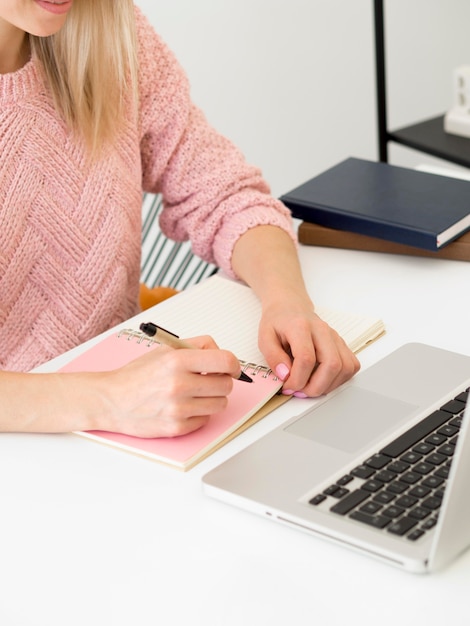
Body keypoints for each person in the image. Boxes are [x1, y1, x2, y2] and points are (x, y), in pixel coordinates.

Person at [0, 0, 359, 437]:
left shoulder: (110, 32)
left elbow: (225, 194)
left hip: (131, 413)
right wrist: (109, 398)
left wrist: (288, 303)